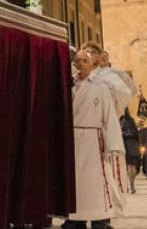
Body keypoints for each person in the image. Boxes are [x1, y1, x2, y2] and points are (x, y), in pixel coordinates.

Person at [63, 48, 124, 228]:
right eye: (77, 61)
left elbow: (109, 117)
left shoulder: (101, 87)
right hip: (73, 141)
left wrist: (112, 144)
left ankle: (99, 217)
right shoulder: (69, 85)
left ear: (92, 65)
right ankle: (75, 217)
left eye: (84, 61)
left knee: (95, 183)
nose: (80, 64)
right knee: (75, 183)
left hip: (93, 142)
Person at [120, 109, 140, 194]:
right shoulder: (131, 120)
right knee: (132, 166)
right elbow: (136, 133)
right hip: (133, 145)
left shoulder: (121, 120)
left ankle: (129, 185)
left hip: (126, 145)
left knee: (128, 167)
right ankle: (131, 185)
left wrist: (122, 133)